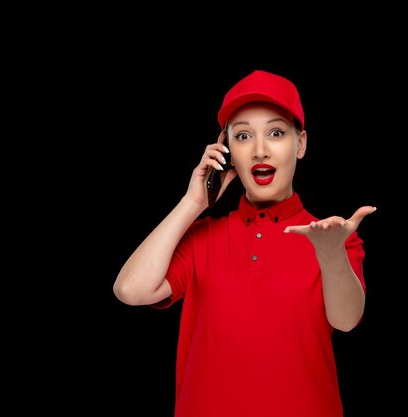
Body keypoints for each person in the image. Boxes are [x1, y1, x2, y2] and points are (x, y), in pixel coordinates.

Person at [113, 69, 377, 417]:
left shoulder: (333, 235)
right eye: (243, 136)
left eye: (277, 132)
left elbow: (346, 320)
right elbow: (131, 290)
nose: (260, 150)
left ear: (300, 144)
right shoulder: (200, 237)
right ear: (226, 151)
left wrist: (329, 253)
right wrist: (193, 203)